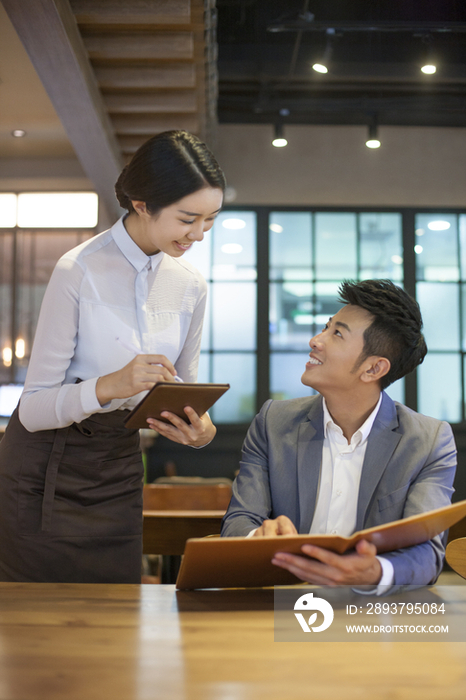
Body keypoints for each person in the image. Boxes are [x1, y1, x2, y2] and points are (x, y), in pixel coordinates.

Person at [0, 130, 226, 583]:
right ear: (142, 203)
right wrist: (110, 386)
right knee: (36, 629)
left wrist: (198, 431)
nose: (199, 234)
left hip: (119, 464)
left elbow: (181, 391)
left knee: (119, 621)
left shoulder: (191, 286)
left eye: (211, 220)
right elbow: (35, 407)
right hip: (45, 466)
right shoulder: (78, 270)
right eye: (188, 219)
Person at [222, 279, 457, 593]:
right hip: (284, 608)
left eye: (337, 333)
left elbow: (427, 554)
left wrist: (375, 571)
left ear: (373, 369)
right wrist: (258, 539)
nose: (316, 340)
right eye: (326, 327)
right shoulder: (274, 422)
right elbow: (239, 521)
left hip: (374, 619)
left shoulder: (428, 441)